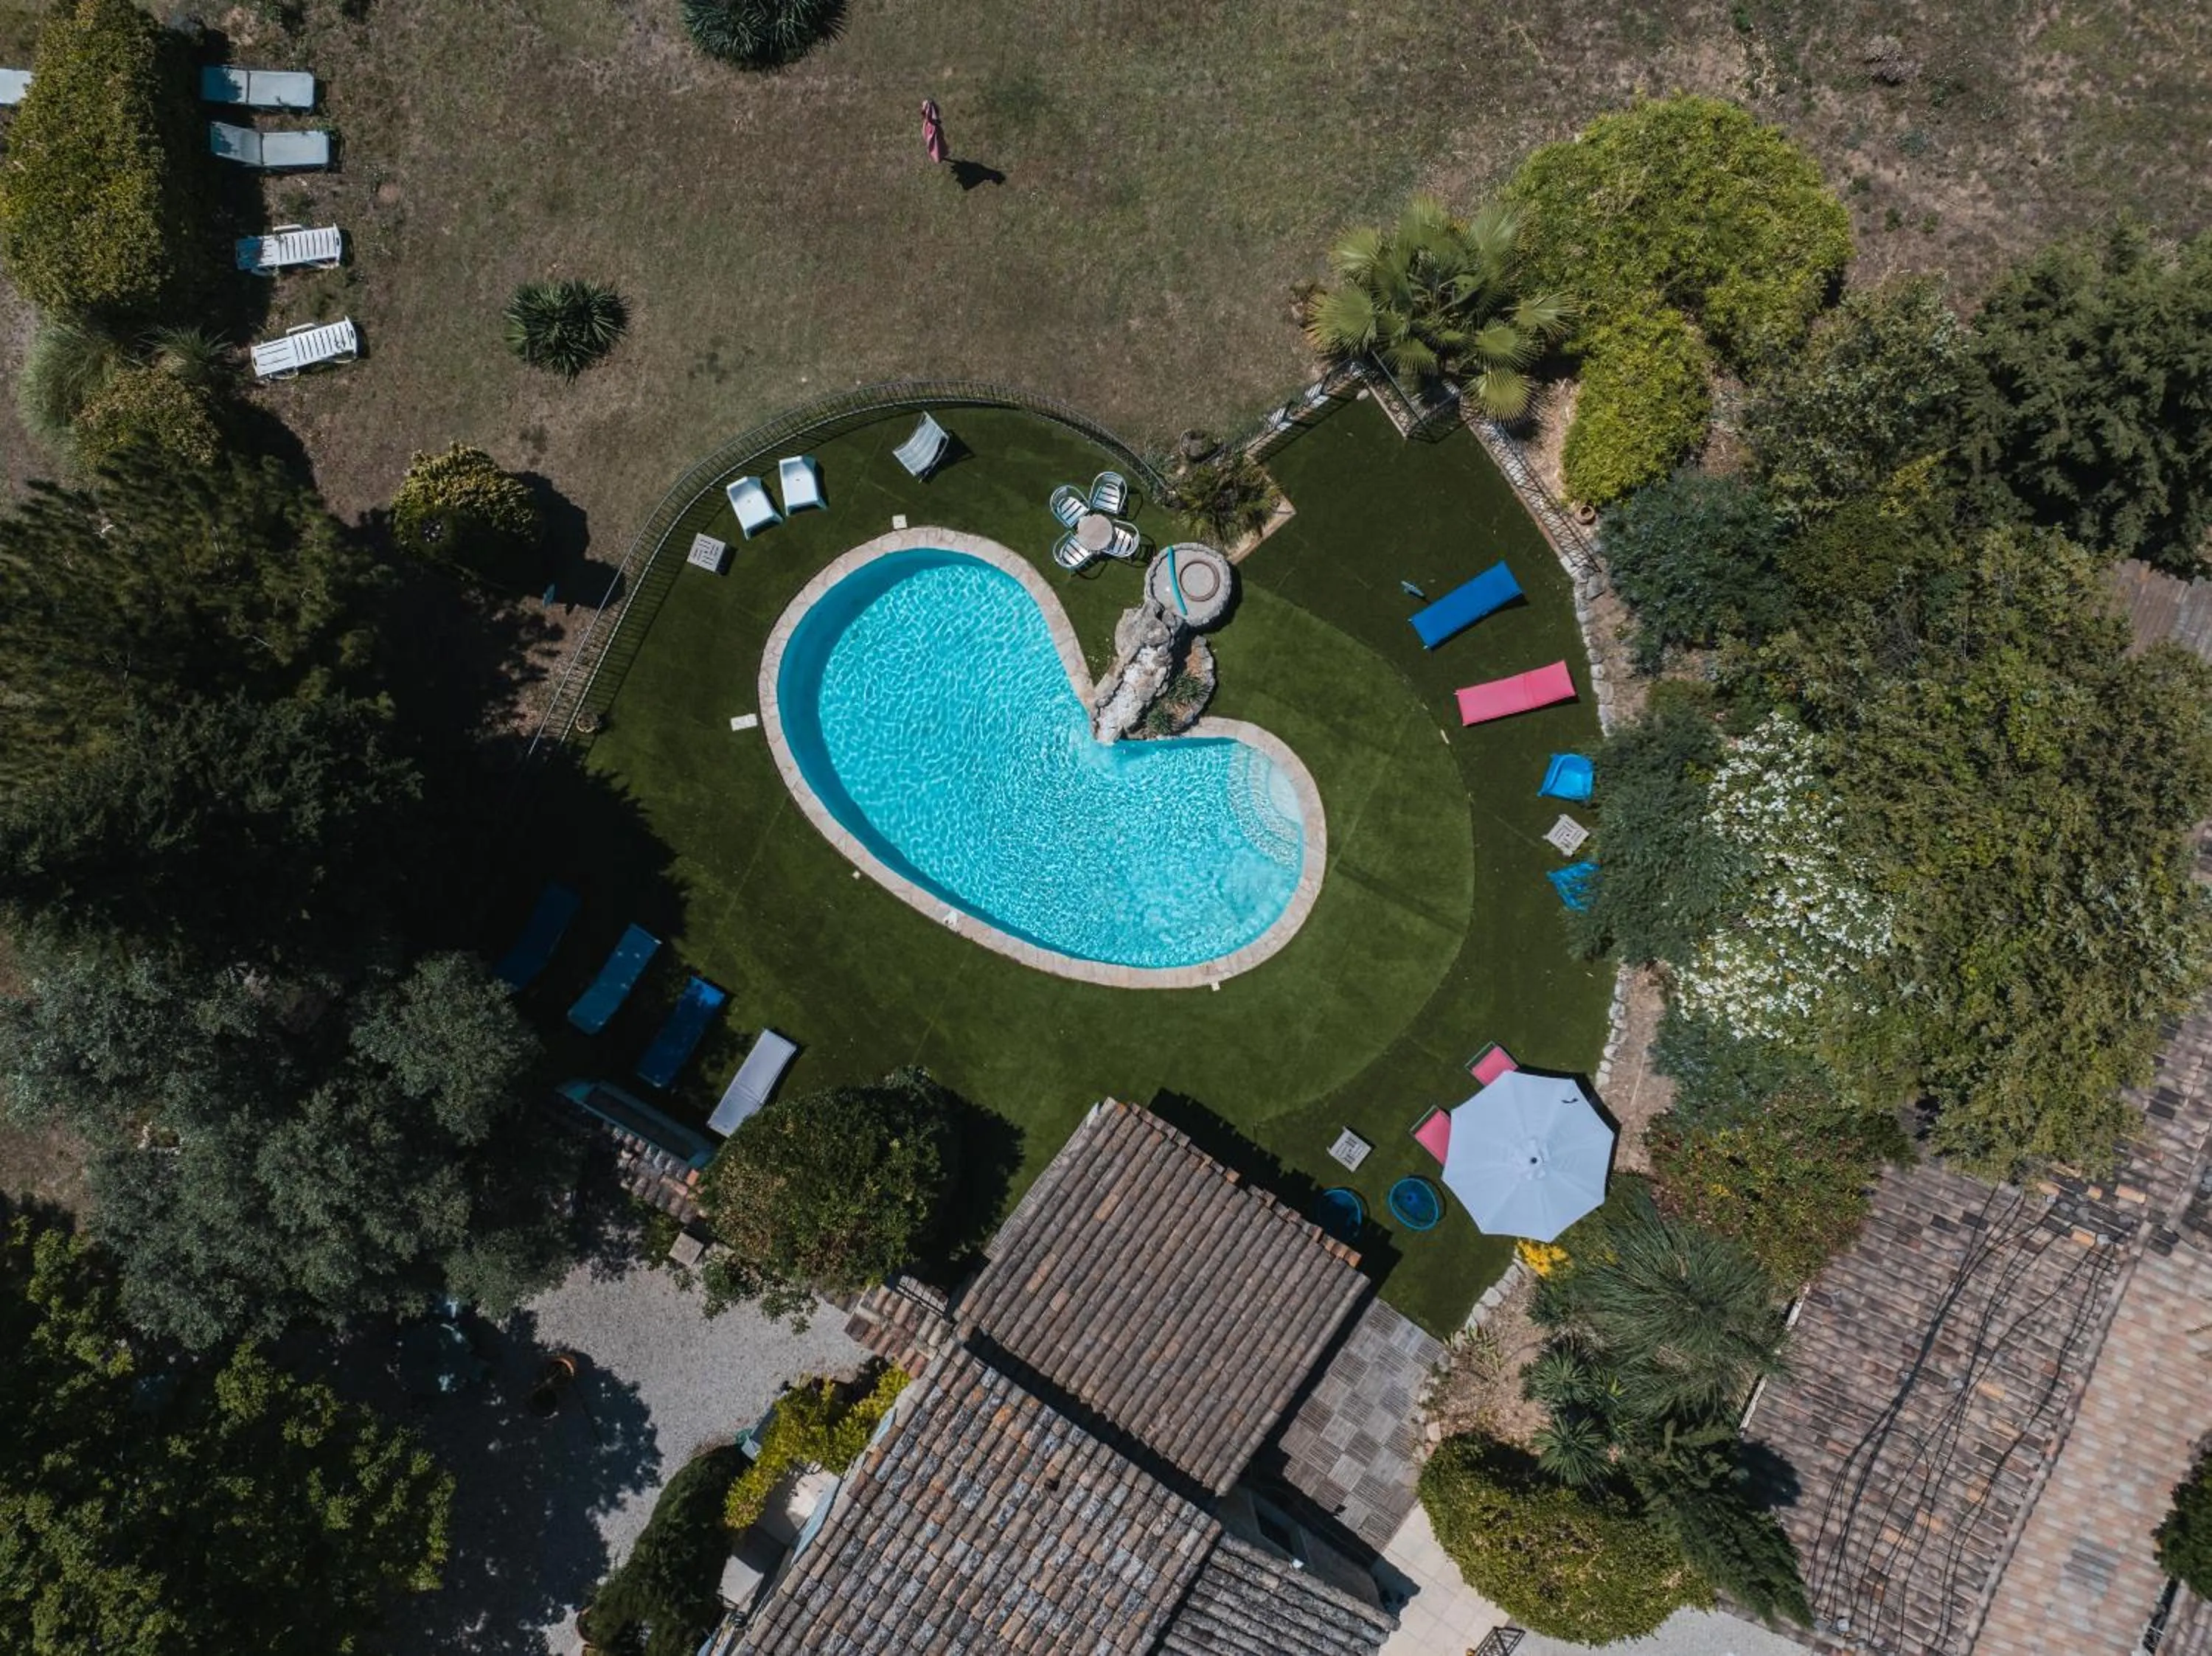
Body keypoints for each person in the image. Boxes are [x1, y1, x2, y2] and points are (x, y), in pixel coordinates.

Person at [921, 98, 947, 166]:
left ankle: (937, 157)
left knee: (935, 144)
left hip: (933, 131)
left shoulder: (931, 119)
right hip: (930, 129)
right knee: (934, 143)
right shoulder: (930, 120)